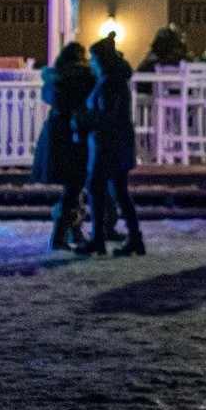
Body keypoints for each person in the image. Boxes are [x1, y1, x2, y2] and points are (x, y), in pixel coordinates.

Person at [73, 33, 144, 257]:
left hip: (109, 145)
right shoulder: (111, 81)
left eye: (94, 59)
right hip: (112, 144)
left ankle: (100, 239)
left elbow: (108, 117)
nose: (91, 64)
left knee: (98, 187)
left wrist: (83, 119)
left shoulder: (110, 83)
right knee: (117, 191)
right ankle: (130, 238)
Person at [31, 42, 96, 250]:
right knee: (75, 185)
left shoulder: (56, 78)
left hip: (56, 136)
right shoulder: (84, 77)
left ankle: (73, 231)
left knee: (73, 186)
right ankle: (61, 235)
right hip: (75, 136)